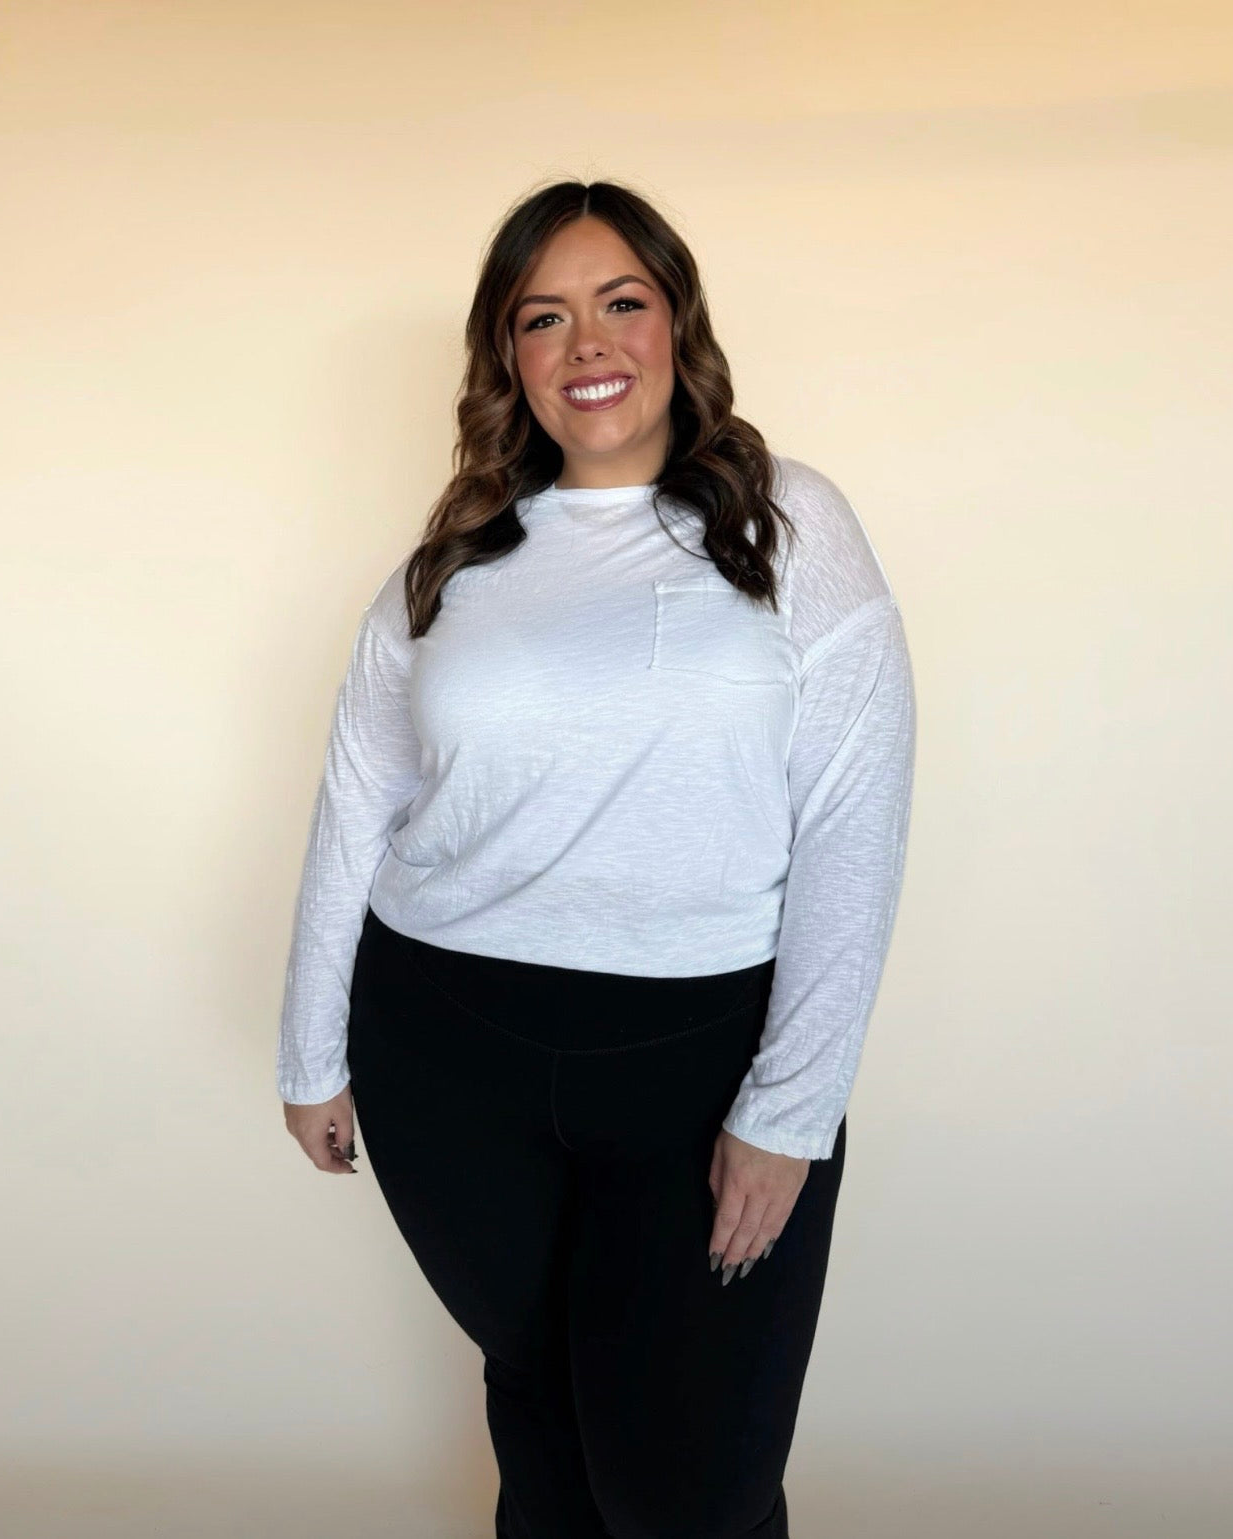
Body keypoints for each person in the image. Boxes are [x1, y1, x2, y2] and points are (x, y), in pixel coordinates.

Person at [276, 179, 916, 1539]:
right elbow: (354, 804)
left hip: (695, 1059)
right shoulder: (452, 560)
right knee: (549, 1422)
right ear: (504, 356)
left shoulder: (786, 524)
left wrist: (787, 1113)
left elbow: (852, 821)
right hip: (443, 1049)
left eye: (620, 301)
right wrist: (309, 1054)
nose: (586, 344)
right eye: (541, 317)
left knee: (691, 1488)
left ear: (677, 324)